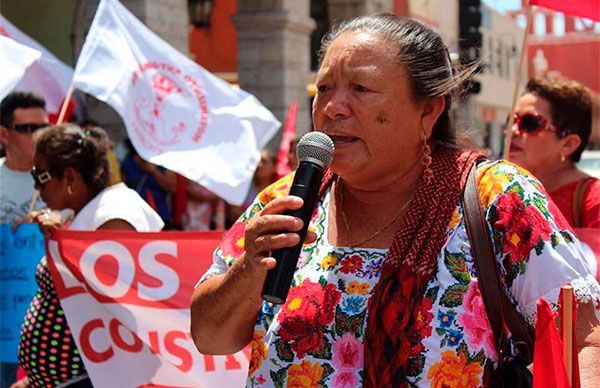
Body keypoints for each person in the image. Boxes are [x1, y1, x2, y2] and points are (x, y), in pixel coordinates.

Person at [190, 14, 600, 387]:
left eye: (361, 88)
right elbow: (210, 337)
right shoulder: (286, 202)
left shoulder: (499, 198)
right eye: (325, 87)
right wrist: (248, 269)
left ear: (429, 112)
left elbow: (582, 337)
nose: (332, 108)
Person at [15, 124, 163, 387]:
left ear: (69, 177)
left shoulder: (116, 216)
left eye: (41, 177)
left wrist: (65, 242)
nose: (37, 189)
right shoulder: (89, 212)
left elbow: (114, 300)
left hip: (92, 378)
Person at [0, 92, 49, 388]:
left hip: (48, 328)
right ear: (3, 134)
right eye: (28, 129)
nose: (38, 136)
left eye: (43, 128)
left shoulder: (63, 181)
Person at [507, 77, 599, 228]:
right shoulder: (499, 192)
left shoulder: (593, 202)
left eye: (530, 123)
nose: (512, 131)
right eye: (511, 120)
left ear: (568, 144)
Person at [121, 140, 179, 228]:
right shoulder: (128, 161)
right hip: (136, 215)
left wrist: (153, 171)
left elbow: (172, 187)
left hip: (161, 214)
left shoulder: (163, 160)